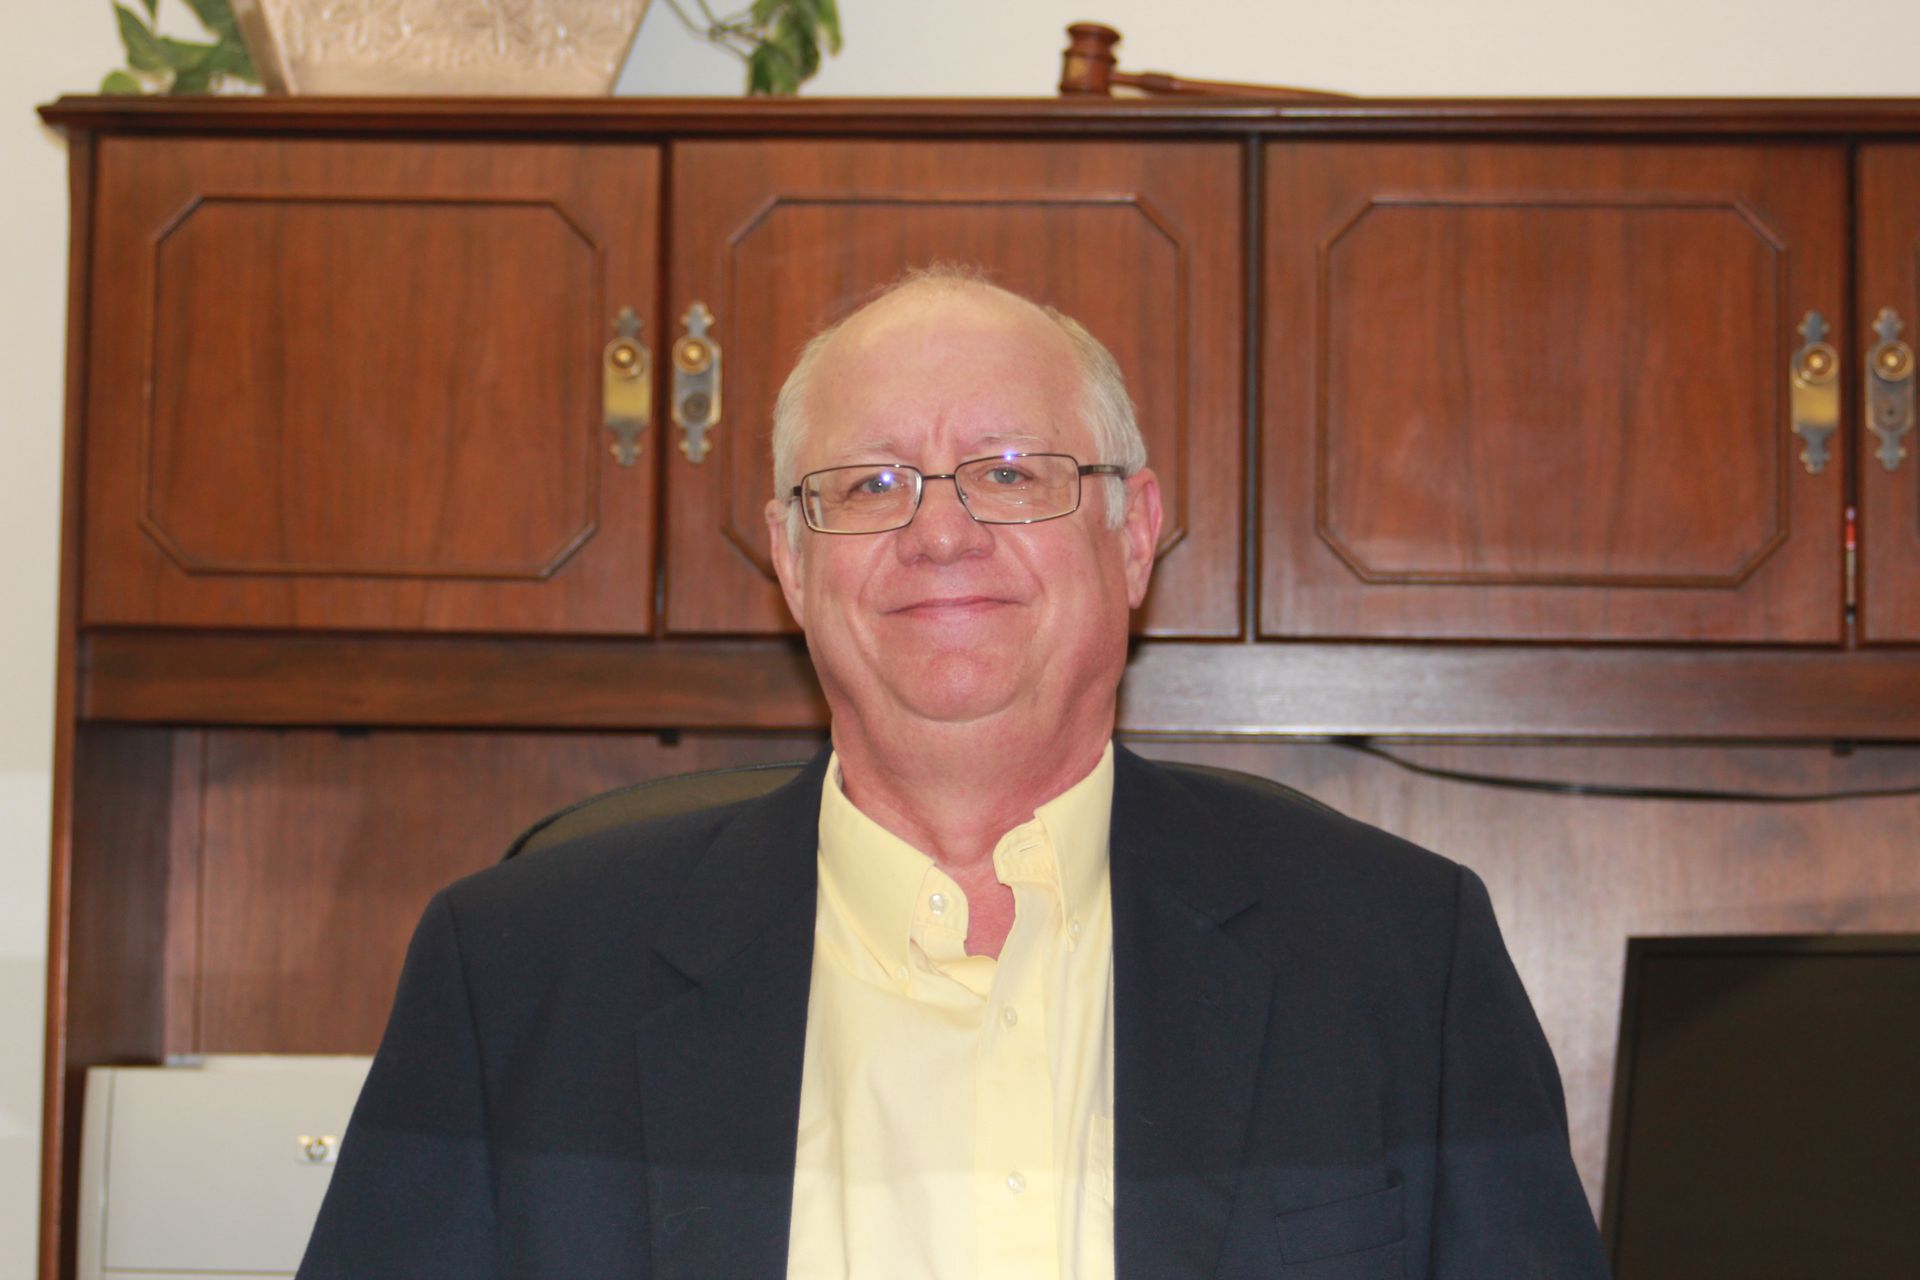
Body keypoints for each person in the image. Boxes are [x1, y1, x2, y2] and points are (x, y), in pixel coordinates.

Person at [299, 267, 1608, 1279]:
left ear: (1134, 532)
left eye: (1009, 472)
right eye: (868, 483)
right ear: (794, 561)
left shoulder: (1397, 957)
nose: (940, 533)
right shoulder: (518, 977)